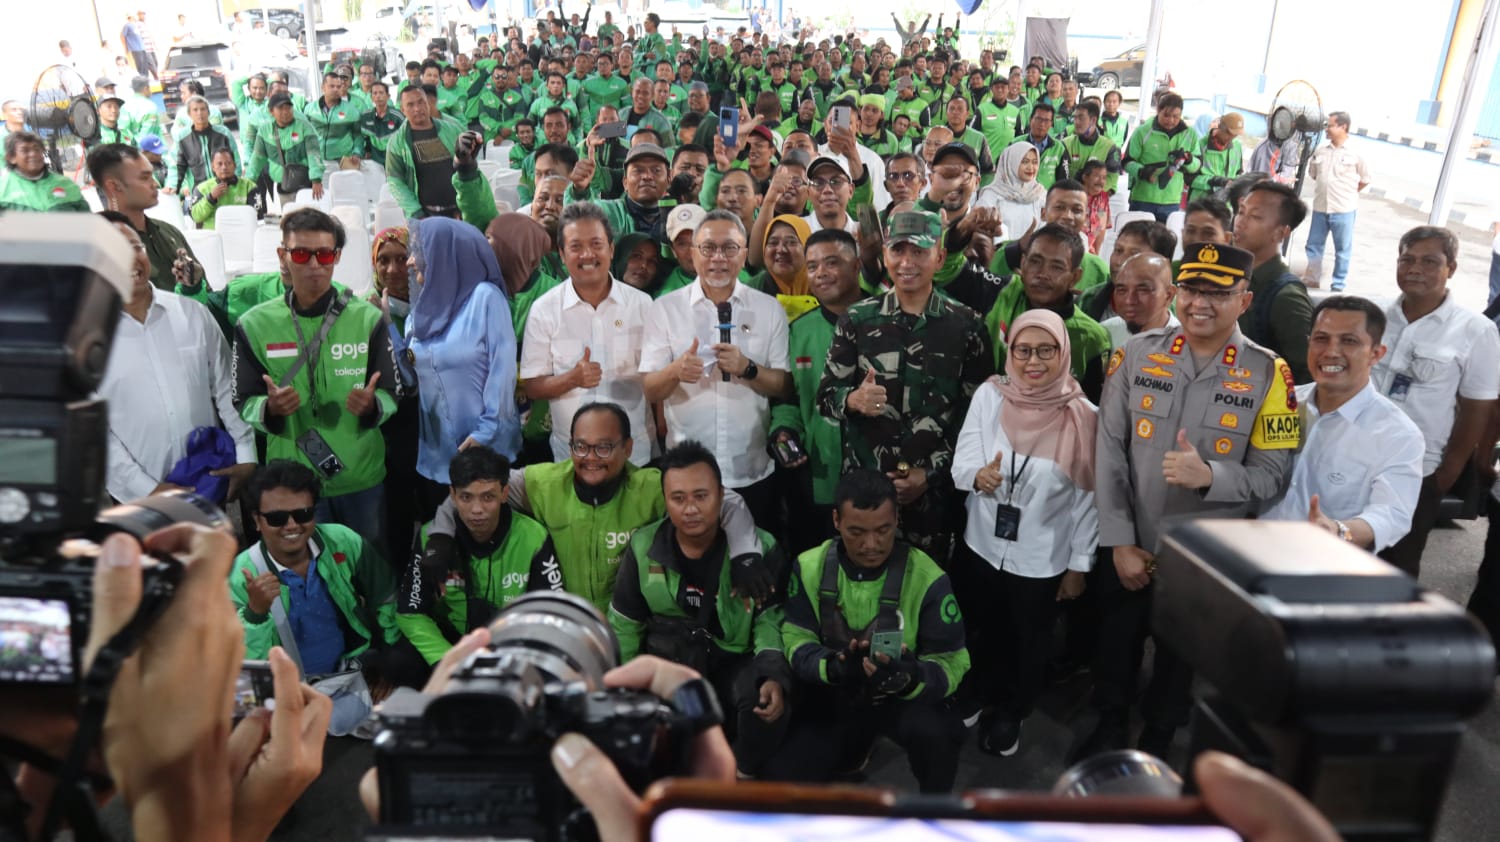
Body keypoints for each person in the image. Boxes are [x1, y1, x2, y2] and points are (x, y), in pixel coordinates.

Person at [1085, 242, 1299, 762]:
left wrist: (1211, 476)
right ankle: (1109, 728)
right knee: (1114, 647)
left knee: (1181, 661)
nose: (1200, 303)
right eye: (1192, 289)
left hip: (1204, 558)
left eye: (1217, 293)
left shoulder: (1272, 375)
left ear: (1244, 300)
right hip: (1131, 542)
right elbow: (1108, 449)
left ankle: (1159, 739)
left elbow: (1275, 475)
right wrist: (1119, 541)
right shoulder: (1136, 353)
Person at [425, 402, 773, 614]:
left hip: (634, 623)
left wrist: (745, 553)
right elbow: (473, 490)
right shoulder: (542, 483)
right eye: (581, 446)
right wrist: (440, 536)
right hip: (570, 625)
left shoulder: (651, 486)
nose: (590, 458)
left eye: (604, 448)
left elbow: (725, 500)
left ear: (628, 448)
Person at [762, 469, 968, 792]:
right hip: (836, 694)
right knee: (780, 776)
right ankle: (852, 749)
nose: (871, 545)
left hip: (898, 699)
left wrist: (910, 676)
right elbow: (796, 638)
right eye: (856, 531)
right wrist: (833, 667)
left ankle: (934, 808)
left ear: (897, 519)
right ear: (836, 520)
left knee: (941, 735)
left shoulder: (928, 578)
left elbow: (952, 661)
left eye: (883, 530)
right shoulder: (809, 566)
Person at [952, 309, 1096, 756]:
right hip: (981, 544)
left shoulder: (1083, 416)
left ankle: (1011, 711)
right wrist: (978, 476)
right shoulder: (990, 396)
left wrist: (1078, 566)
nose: (1034, 361)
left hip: (1041, 556)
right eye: (1023, 350)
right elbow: (963, 459)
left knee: (1028, 641)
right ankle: (978, 691)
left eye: (1046, 350)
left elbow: (1089, 501)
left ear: (1063, 352)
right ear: (1010, 352)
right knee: (981, 627)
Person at [608, 441, 791, 777]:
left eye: (701, 496)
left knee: (764, 700)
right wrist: (622, 690)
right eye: (678, 498)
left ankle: (740, 776)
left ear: (722, 496)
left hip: (732, 660)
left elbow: (770, 621)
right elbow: (625, 625)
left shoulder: (761, 549)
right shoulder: (643, 545)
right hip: (668, 662)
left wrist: (772, 674)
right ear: (665, 501)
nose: (690, 508)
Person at [818, 210, 992, 560]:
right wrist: (853, 399)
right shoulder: (857, 319)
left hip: (933, 497)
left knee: (925, 580)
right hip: (866, 493)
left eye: (919, 251)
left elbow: (975, 418)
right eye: (898, 250)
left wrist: (929, 474)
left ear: (939, 257)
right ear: (885, 255)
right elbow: (825, 398)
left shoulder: (967, 326)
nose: (907, 262)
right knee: (862, 575)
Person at [232, 208, 402, 545]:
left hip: (360, 477)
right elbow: (243, 399)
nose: (314, 265)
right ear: (283, 255)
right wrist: (269, 409)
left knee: (367, 564)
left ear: (336, 257)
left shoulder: (368, 319)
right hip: (292, 484)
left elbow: (391, 391)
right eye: (301, 254)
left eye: (324, 254)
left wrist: (373, 406)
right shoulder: (254, 325)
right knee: (305, 567)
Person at [641, 210, 793, 528]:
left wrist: (748, 368)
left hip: (751, 468)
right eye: (708, 248)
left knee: (755, 554)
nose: (718, 258)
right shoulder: (665, 309)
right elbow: (651, 389)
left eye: (730, 248)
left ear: (744, 254)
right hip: (687, 474)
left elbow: (783, 385)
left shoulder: (769, 309)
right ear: (693, 253)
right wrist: (674, 371)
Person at [229, 460, 402, 736]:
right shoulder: (239, 576)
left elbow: (386, 597)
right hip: (281, 687)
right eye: (277, 518)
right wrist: (255, 614)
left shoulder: (343, 541)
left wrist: (388, 665)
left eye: (303, 514)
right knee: (246, 723)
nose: (292, 525)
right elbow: (243, 669)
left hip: (345, 673)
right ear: (256, 521)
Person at [95, 212, 256, 506]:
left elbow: (226, 387)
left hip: (208, 481)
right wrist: (145, 489)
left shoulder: (192, 315)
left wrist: (246, 454)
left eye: (134, 247)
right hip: (138, 499)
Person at [1371, 226, 1500, 576]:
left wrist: (1446, 474)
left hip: (1418, 472)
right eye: (1407, 260)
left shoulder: (1475, 330)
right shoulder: (1374, 315)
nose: (1415, 269)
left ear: (1451, 268)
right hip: (1357, 459)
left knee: (1396, 569)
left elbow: (1477, 409)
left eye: (1429, 261)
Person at [1262, 296, 1424, 552]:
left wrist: (1338, 530)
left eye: (1349, 341)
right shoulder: (1281, 403)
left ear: (1376, 354)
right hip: (1254, 550)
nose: (1331, 352)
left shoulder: (1398, 435)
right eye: (1321, 339)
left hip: (1325, 562)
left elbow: (1391, 514)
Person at [396, 446, 556, 670]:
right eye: (466, 497)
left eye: (488, 497)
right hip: (454, 642)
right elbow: (410, 612)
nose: (477, 509)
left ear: (505, 493)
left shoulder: (533, 537)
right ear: (453, 495)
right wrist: (449, 661)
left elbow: (550, 612)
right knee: (399, 661)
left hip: (512, 644)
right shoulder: (429, 539)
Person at [522, 202, 655, 465]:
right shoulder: (544, 310)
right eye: (575, 247)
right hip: (572, 455)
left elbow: (655, 376)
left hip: (633, 453)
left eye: (596, 244)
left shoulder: (642, 305)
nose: (587, 254)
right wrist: (571, 379)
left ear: (611, 249)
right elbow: (533, 386)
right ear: (562, 254)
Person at [405, 216, 521, 512]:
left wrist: (485, 432)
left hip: (484, 454)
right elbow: (410, 373)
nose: (410, 261)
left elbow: (503, 372)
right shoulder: (421, 311)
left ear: (446, 253)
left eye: (419, 250)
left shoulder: (485, 299)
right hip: (436, 460)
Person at [771, 228, 864, 554]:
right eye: (812, 266)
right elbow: (790, 399)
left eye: (832, 262)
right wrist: (783, 430)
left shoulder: (887, 320)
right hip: (818, 476)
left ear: (857, 266)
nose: (820, 273)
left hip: (878, 479)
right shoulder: (799, 330)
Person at [984, 222, 1112, 402]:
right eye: (1035, 261)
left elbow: (1093, 405)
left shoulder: (1092, 338)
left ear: (1075, 277)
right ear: (1023, 263)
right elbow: (950, 273)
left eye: (1056, 267)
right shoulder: (1003, 292)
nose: (1042, 274)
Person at [87, 143, 204, 291]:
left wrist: (195, 286)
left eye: (152, 175)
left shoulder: (168, 232)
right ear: (114, 186)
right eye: (144, 178)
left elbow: (207, 295)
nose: (155, 184)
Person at [1234, 181, 1314, 383]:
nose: (1240, 222)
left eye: (1255, 216)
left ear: (1281, 233)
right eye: (1241, 212)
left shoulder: (1287, 298)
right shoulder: (1233, 276)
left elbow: (1308, 374)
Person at [1303, 111, 1370, 291]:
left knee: (1342, 250)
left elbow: (1365, 179)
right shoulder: (1320, 150)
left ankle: (1338, 284)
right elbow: (1313, 174)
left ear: (1343, 127)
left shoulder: (1356, 153)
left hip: (1343, 209)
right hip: (1320, 207)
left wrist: (1348, 193)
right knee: (1313, 245)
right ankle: (1312, 279)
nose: (1326, 129)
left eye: (1330, 125)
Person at [385, 85, 464, 218]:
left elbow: (468, 169)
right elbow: (396, 182)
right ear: (402, 110)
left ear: (428, 103)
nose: (417, 108)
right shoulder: (397, 143)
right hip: (425, 216)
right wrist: (416, 213)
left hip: (459, 211)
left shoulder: (453, 130)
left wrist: (467, 206)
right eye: (410, 105)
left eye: (421, 102)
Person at [1122, 93, 1199, 221]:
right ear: (1158, 110)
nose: (1171, 120)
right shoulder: (1142, 132)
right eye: (1166, 115)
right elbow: (1126, 162)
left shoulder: (1190, 135)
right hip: (1143, 198)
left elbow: (1197, 166)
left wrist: (1189, 159)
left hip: (1171, 200)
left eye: (1176, 116)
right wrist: (1143, 172)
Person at [247, 91, 324, 206]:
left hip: (306, 184)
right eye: (280, 108)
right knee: (288, 215)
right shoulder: (264, 131)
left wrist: (316, 179)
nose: (285, 112)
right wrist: (249, 181)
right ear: (271, 111)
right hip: (283, 185)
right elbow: (257, 158)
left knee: (309, 214)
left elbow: (314, 153)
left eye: (288, 107)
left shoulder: (304, 127)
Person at [1101, 252, 1179, 350]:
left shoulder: (1188, 346)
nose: (1129, 300)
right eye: (1122, 290)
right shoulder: (1106, 334)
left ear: (1169, 295)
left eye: (1143, 290)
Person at [974, 139, 1045, 240]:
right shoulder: (992, 195)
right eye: (1025, 162)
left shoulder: (1040, 194)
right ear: (1011, 163)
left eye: (1035, 162)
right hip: (1000, 249)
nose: (1031, 167)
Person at [0, 131, 89, 212]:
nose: (33, 154)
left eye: (36, 149)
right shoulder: (3, 190)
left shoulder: (66, 184)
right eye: (25, 150)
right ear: (11, 158)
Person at [1189, 112, 1245, 202]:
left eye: (1235, 135)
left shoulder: (1237, 146)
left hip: (1225, 205)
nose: (1231, 138)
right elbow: (1189, 179)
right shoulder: (1201, 145)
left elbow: (1239, 172)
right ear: (1220, 127)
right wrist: (1216, 181)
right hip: (1201, 203)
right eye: (1229, 133)